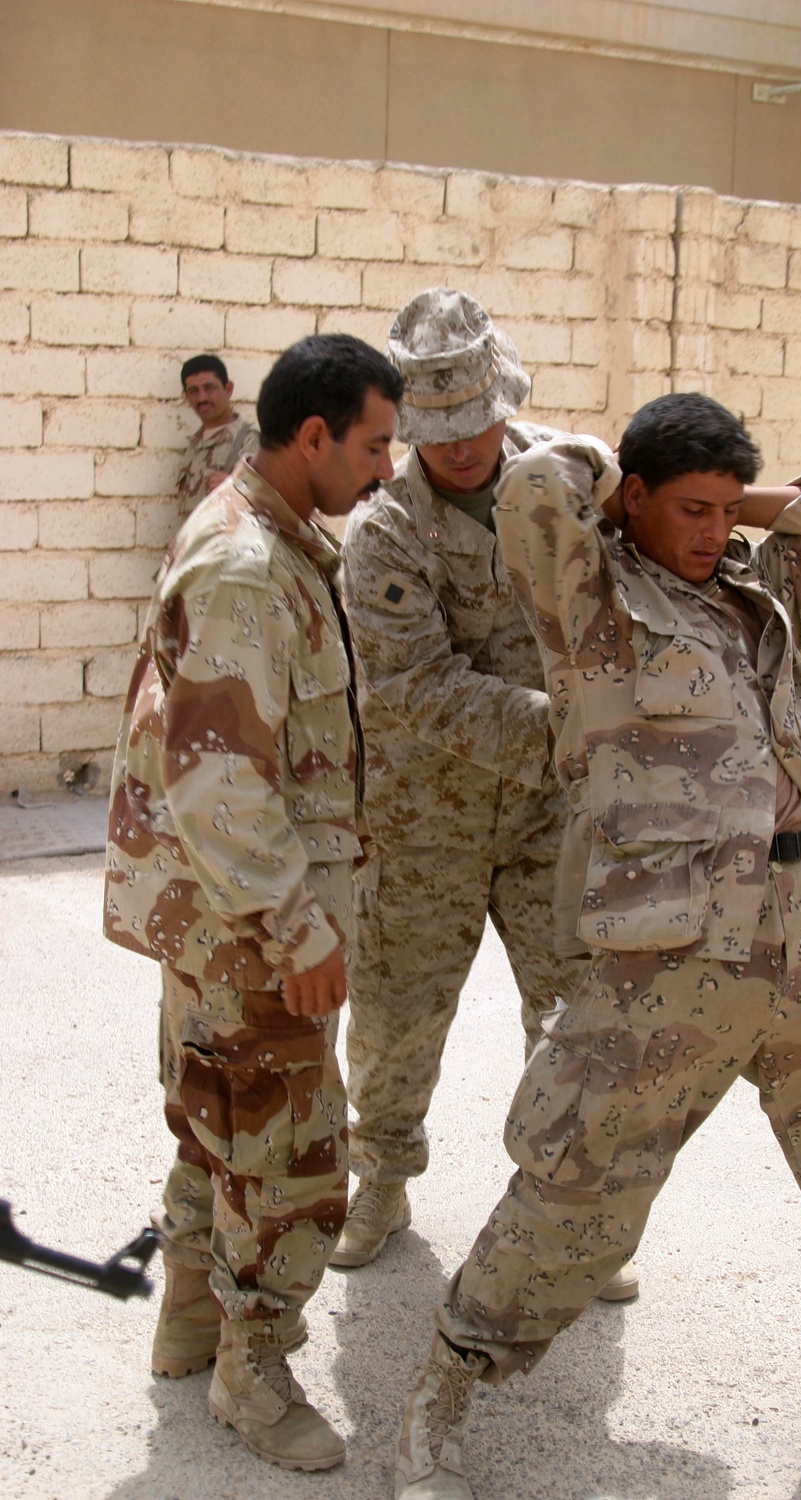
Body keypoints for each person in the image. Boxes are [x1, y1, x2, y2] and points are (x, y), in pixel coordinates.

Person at [394, 393, 801, 1499]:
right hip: (672, 950)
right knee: (577, 1178)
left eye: (728, 510)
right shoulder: (591, 603)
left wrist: (739, 485)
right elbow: (533, 488)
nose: (715, 530)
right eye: (691, 510)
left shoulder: (767, 595)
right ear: (630, 501)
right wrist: (628, 476)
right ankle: (445, 1388)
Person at [104, 333, 403, 1471]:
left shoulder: (273, 536)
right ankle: (253, 1374)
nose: (385, 470)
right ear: (315, 435)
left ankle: (188, 1328)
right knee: (286, 1161)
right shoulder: (245, 565)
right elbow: (220, 780)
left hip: (218, 918)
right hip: (252, 926)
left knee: (212, 1122)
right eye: (374, 446)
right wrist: (299, 926)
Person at [331, 289, 635, 1300]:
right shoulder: (382, 531)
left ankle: (569, 1209)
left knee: (577, 1010)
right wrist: (577, 725)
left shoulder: (561, 478)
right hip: (428, 817)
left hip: (555, 816)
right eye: (437, 432)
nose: (462, 448)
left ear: (502, 402)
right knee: (396, 1012)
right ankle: (381, 1176)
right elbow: (414, 689)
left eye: (476, 424)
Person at [176, 353, 259, 514]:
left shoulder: (250, 440)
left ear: (228, 389)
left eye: (209, 388)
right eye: (193, 391)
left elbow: (277, 503)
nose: (202, 398)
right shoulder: (194, 446)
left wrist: (236, 488)